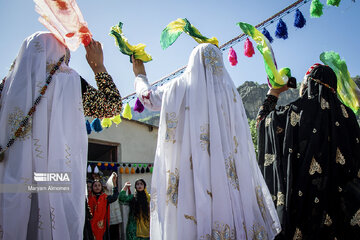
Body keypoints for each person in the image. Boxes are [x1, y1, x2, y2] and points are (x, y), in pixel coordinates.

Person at [132, 43, 281, 239]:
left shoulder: (179, 87)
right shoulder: (230, 95)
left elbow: (148, 98)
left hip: (190, 172)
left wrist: (139, 75)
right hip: (225, 172)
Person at [0, 32, 122, 239]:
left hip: (9, 186)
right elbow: (111, 106)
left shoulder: (6, 88)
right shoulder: (69, 80)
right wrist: (98, 66)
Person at [257, 64, 360, 239]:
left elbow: (262, 124)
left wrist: (273, 93)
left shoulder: (292, 113)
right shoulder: (349, 118)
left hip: (301, 218)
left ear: (306, 86)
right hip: (342, 223)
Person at [88, 175, 119, 240]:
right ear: (92, 187)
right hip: (90, 225)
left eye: (99, 185)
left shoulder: (105, 198)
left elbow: (115, 197)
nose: (97, 187)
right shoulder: (88, 198)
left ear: (101, 187)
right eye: (95, 186)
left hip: (102, 225)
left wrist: (114, 183)